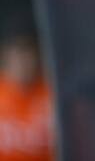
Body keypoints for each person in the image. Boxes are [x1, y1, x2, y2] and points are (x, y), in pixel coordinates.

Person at [0, 12, 53, 161]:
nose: (23, 60)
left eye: (28, 50)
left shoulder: (53, 95)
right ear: (5, 54)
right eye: (17, 51)